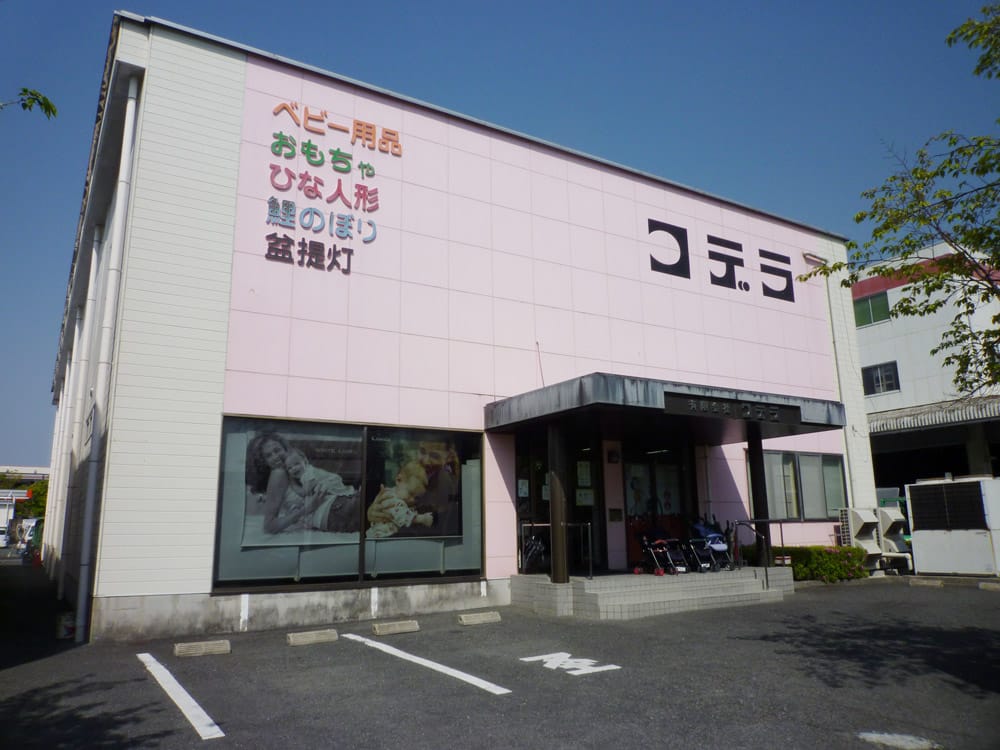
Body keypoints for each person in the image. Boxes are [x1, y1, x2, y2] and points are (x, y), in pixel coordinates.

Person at [367, 439, 460, 536]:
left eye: (435, 456)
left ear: (448, 457)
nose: (426, 461)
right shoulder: (409, 475)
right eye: (422, 451)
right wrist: (372, 512)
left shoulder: (450, 486)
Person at [265, 448, 360, 534]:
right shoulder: (302, 476)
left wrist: (292, 483)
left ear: (305, 461)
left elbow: (304, 492)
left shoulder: (308, 474)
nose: (293, 468)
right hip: (333, 510)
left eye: (296, 464)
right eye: (289, 468)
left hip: (334, 507)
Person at [367, 461, 434, 538]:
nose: (412, 500)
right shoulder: (389, 497)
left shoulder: (402, 499)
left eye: (416, 498)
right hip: (379, 537)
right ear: (398, 480)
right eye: (410, 493)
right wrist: (420, 519)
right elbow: (400, 515)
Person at [246, 432, 292, 518]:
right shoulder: (278, 475)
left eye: (277, 450)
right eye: (268, 456)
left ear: (285, 449)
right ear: (263, 462)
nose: (275, 457)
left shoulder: (297, 473)